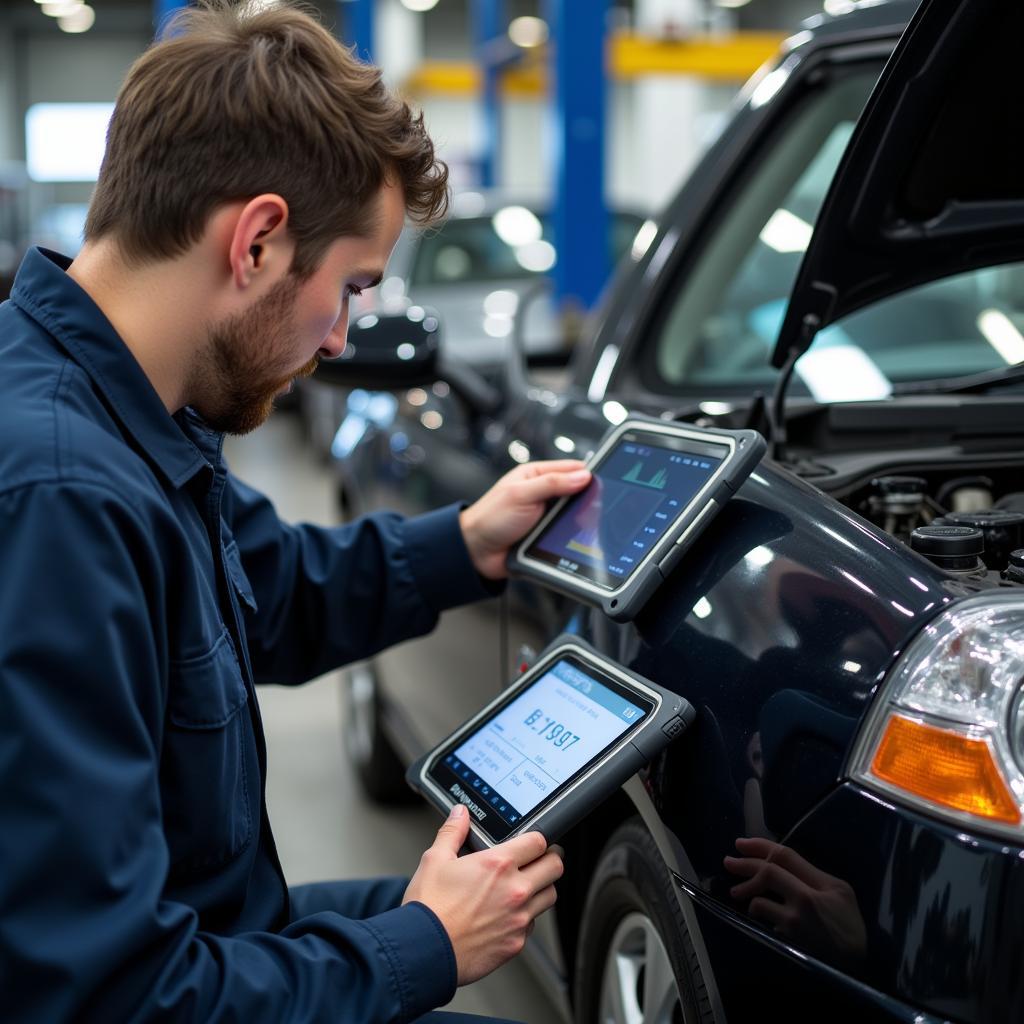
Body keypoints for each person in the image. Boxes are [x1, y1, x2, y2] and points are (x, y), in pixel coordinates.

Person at [0, 3, 592, 1021]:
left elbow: (261, 589)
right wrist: (418, 947)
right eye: (352, 287)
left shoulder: (127, 415)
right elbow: (107, 994)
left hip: (211, 934)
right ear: (260, 241)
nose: (337, 340)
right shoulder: (61, 498)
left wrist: (464, 544)